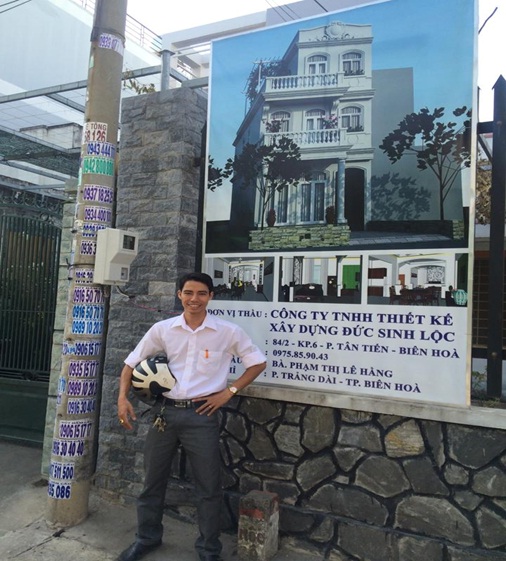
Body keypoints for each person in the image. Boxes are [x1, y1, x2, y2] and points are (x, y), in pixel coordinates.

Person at [116, 272, 266, 561]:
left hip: (201, 416)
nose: (194, 299)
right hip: (165, 414)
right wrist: (122, 398)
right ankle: (146, 538)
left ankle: (209, 550)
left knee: (208, 486)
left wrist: (229, 392)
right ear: (179, 295)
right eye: (188, 293)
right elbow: (130, 364)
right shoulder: (163, 330)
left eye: (201, 293)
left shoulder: (228, 332)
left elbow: (257, 363)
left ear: (211, 296)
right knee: (152, 482)